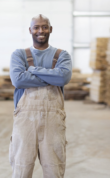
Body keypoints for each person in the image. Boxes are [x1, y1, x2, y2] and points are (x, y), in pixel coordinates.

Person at [9, 14, 72, 178]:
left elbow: (63, 78)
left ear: (50, 29)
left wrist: (33, 70)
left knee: (54, 169)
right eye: (36, 27)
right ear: (30, 30)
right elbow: (18, 80)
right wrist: (52, 77)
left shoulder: (62, 55)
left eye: (44, 27)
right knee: (21, 168)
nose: (40, 31)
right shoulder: (19, 54)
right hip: (25, 120)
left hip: (53, 120)